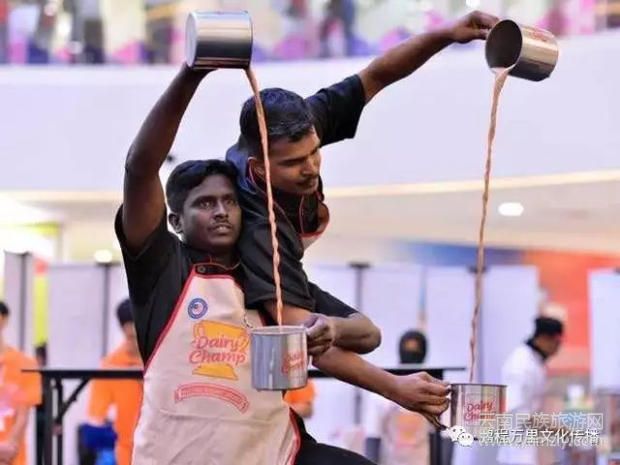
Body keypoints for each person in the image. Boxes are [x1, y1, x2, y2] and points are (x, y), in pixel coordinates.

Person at [117, 66, 450, 462]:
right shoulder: (161, 268)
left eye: (229, 201)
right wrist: (192, 74)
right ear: (175, 221)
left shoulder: (268, 275)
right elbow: (140, 167)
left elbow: (362, 335)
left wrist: (338, 333)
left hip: (277, 452)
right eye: (205, 204)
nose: (221, 211)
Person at [225, 10, 499, 350]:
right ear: (260, 168)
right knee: (317, 334)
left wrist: (445, 34)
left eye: (314, 152)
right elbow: (303, 338)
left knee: (368, 333)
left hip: (289, 270)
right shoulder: (257, 225)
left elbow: (377, 75)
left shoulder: (301, 123)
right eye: (294, 163)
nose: (311, 168)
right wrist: (393, 381)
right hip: (242, 304)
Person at [497, 316, 564, 465]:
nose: (557, 349)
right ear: (544, 338)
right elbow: (519, 414)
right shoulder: (520, 365)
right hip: (518, 453)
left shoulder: (534, 361)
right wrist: (561, 430)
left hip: (529, 449)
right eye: (557, 343)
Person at [86, 299, 142, 465]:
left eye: (140, 336)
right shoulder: (111, 365)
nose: (136, 343)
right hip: (126, 454)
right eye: (131, 337)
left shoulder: (164, 362)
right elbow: (95, 419)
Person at [365, 330, 432, 465]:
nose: (411, 355)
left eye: (416, 351)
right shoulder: (381, 393)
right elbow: (373, 436)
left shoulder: (433, 393)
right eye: (408, 350)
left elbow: (442, 438)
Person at [0, 301, 41, 465]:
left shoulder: (25, 364)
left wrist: (8, 447)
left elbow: (23, 416)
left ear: (4, 320)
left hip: (12, 456)